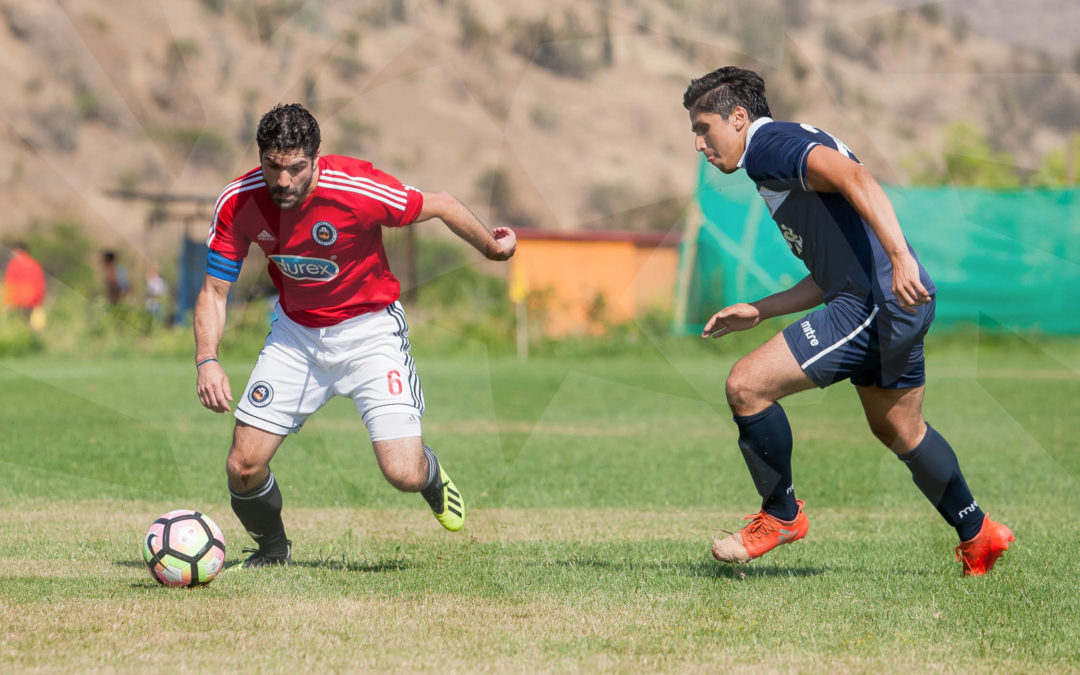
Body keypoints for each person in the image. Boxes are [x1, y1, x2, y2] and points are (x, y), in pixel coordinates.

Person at [683, 67, 1012, 576]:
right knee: (899, 427)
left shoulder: (768, 147)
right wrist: (761, 309)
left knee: (746, 386)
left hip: (874, 303)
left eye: (704, 128)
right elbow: (829, 274)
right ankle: (979, 533)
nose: (700, 144)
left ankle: (781, 515)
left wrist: (899, 257)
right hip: (892, 299)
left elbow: (858, 177)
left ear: (740, 117)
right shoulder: (781, 147)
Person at [194, 103, 516, 568]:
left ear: (317, 157)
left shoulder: (357, 188)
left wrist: (493, 247)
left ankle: (429, 477)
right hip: (297, 337)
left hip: (370, 333)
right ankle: (272, 549)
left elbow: (441, 203)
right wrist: (208, 358)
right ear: (260, 157)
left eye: (296, 168)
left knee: (401, 473)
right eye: (272, 167)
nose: (283, 181)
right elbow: (214, 291)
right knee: (242, 465)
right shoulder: (239, 201)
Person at [3, 242, 46, 323]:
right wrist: (39, 303)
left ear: (18, 251)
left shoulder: (13, 264)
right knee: (27, 327)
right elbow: (41, 285)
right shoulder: (35, 264)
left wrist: (8, 304)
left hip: (17, 302)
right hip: (33, 303)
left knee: (14, 328)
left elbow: (10, 284)